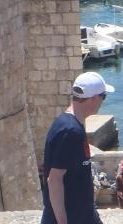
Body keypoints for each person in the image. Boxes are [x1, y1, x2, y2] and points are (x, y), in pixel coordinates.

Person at [41, 72, 115, 224]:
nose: (102, 102)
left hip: (84, 213)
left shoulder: (69, 125)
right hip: (72, 216)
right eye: (103, 96)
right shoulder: (70, 131)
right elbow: (54, 179)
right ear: (94, 98)